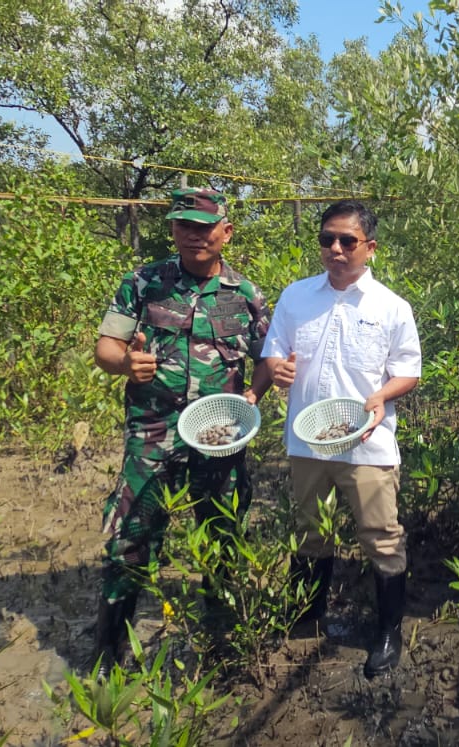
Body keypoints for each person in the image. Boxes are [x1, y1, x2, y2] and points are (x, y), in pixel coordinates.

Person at [90, 187, 272, 674]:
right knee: (131, 536)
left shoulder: (246, 295)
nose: (193, 235)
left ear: (225, 233)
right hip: (153, 433)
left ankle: (223, 650)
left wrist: (254, 396)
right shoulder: (143, 283)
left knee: (222, 537)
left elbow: (266, 360)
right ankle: (108, 653)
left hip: (220, 439)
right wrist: (127, 363)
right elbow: (106, 348)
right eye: (183, 225)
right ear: (172, 230)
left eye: (204, 226)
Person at [259, 200, 422, 678]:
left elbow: (408, 371)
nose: (335, 248)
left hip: (367, 444)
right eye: (327, 239)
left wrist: (381, 396)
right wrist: (278, 369)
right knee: (310, 532)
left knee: (381, 537)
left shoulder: (391, 307)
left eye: (347, 241)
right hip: (306, 442)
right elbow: (273, 355)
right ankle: (307, 619)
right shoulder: (295, 297)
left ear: (369, 248)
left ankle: (388, 633)